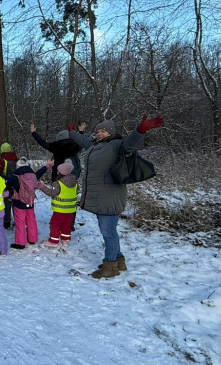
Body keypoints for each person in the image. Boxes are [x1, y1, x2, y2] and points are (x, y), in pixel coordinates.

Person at [69, 116, 164, 278]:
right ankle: (118, 261)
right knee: (108, 230)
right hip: (101, 196)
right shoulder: (94, 145)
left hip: (111, 196)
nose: (99, 134)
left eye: (103, 131)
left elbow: (130, 144)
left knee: (108, 232)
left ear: (111, 132)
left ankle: (110, 267)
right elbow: (83, 139)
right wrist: (72, 132)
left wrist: (140, 130)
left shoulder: (116, 145)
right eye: (98, 131)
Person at [5, 157, 49, 249]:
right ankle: (33, 239)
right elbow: (39, 173)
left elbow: (6, 178)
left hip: (19, 203)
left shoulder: (15, 176)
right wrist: (46, 167)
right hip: (30, 202)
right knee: (31, 220)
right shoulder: (33, 175)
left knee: (20, 223)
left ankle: (21, 243)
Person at [37, 159, 77, 249]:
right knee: (66, 224)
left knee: (55, 224)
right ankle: (65, 240)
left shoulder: (59, 183)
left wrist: (42, 187)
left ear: (62, 172)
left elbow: (52, 193)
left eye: (59, 171)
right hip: (70, 209)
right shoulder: (74, 181)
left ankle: (53, 241)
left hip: (60, 209)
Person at [0, 143, 19, 229]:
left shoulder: (2, 160)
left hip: (6, 184)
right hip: (17, 184)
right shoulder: (17, 159)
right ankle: (18, 221)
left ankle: (6, 222)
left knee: (7, 204)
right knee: (16, 204)